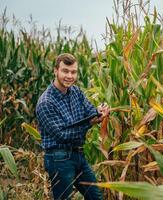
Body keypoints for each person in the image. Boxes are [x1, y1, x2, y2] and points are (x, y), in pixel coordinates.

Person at [36, 53, 109, 200]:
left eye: (73, 72)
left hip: (78, 155)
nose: (69, 76)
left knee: (96, 197)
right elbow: (62, 135)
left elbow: (90, 112)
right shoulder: (46, 102)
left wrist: (100, 112)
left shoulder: (76, 92)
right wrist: (90, 122)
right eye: (65, 71)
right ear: (55, 71)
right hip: (59, 158)